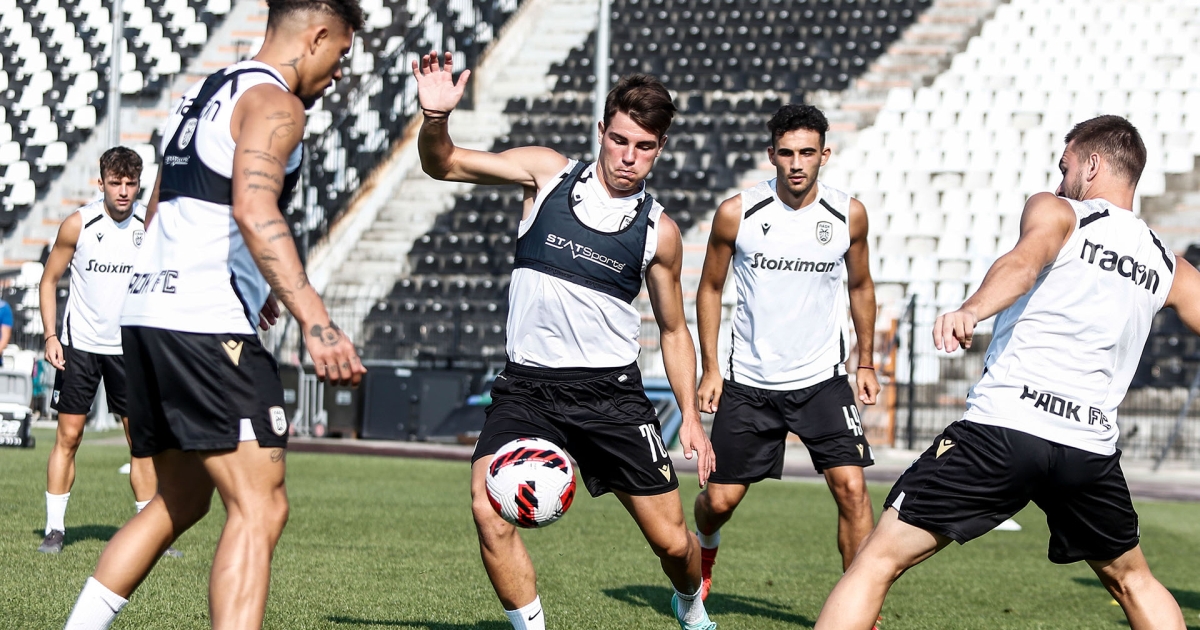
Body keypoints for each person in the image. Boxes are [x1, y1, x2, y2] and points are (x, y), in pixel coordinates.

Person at [815, 116, 1188, 629]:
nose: (1060, 180)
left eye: (1066, 166)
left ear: (1093, 165)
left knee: (877, 560)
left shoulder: (1059, 211)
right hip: (1087, 449)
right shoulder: (1168, 263)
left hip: (1006, 428)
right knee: (1134, 581)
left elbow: (1024, 263)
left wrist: (972, 309)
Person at [62, 1, 366, 627]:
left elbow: (161, 206)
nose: (340, 72)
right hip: (204, 322)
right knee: (262, 505)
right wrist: (316, 321)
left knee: (179, 498)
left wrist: (258, 282)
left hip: (148, 311)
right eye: (341, 54)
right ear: (317, 36)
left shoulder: (208, 90)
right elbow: (255, 209)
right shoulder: (277, 104)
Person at [414, 54, 717, 630]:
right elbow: (443, 163)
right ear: (601, 131)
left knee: (674, 544)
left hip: (612, 397)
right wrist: (435, 118)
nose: (628, 156)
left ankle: (689, 603)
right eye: (619, 140)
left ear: (660, 148)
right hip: (528, 388)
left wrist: (692, 422)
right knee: (487, 506)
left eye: (644, 146)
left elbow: (674, 329)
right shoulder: (547, 173)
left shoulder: (660, 232)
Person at [692, 104, 879, 599]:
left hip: (823, 382)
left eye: (807, 153)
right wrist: (711, 369)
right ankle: (704, 550)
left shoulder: (848, 214)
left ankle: (858, 609)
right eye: (788, 153)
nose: (797, 163)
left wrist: (864, 361)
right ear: (771, 154)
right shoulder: (737, 212)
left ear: (825, 155)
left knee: (853, 490)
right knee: (718, 503)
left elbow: (861, 286)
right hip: (750, 384)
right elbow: (710, 287)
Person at [37, 147, 181, 558]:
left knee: (141, 444)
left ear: (139, 185)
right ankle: (54, 530)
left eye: (130, 184)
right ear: (100, 183)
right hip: (79, 346)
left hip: (129, 352)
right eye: (115, 183)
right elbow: (48, 280)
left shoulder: (149, 227)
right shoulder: (78, 224)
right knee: (69, 436)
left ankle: (151, 538)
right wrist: (50, 336)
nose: (122, 191)